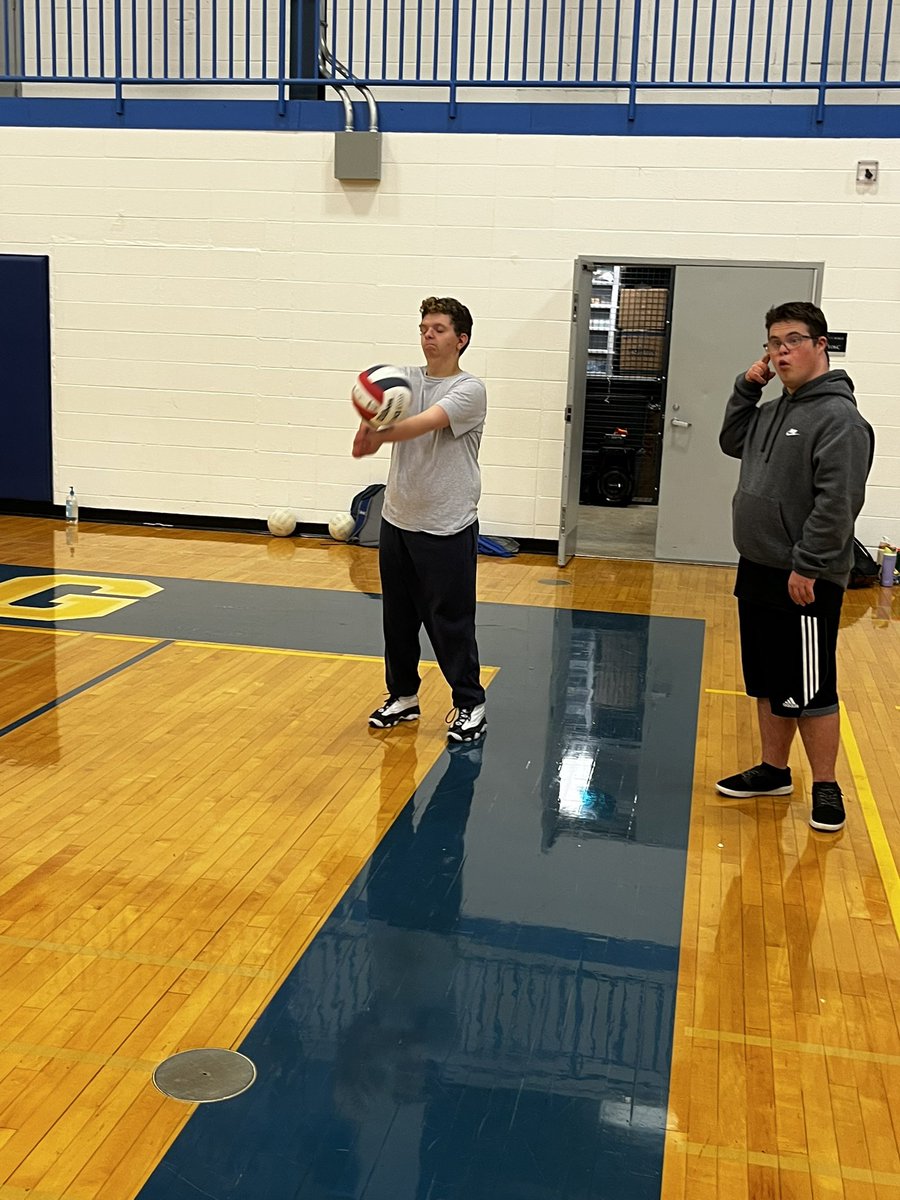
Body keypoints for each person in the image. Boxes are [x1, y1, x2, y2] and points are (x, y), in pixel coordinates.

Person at [717, 301, 874, 832]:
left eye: (791, 341)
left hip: (804, 578)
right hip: (758, 567)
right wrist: (747, 387)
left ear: (820, 344)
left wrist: (807, 565)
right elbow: (730, 441)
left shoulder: (840, 420)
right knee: (767, 681)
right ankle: (773, 770)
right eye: (771, 343)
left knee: (810, 687)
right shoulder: (771, 410)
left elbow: (837, 504)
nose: (779, 352)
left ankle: (826, 787)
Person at [352, 296, 487, 742]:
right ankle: (403, 696)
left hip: (447, 525)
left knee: (450, 622)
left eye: (439, 329)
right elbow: (373, 427)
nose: (428, 334)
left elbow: (425, 423)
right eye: (424, 327)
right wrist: (367, 421)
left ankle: (471, 704)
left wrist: (380, 432)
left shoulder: (468, 390)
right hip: (398, 520)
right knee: (398, 619)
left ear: (460, 339)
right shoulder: (402, 382)